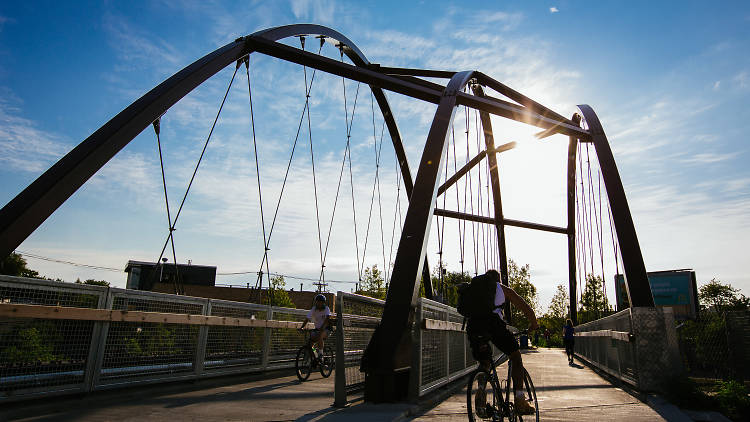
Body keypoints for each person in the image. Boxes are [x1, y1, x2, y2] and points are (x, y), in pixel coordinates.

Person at [469, 269, 539, 416]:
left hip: (474, 326)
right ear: (498, 280)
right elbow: (526, 308)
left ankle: (480, 396)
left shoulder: (475, 290)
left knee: (485, 362)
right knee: (515, 357)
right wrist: (533, 324)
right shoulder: (502, 289)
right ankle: (520, 400)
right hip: (493, 325)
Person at [299, 294, 332, 360]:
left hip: (326, 329)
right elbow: (307, 318)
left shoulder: (326, 309)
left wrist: (322, 328)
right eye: (317, 302)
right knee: (310, 342)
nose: (318, 303)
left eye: (320, 302)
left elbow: (327, 319)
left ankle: (321, 354)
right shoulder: (314, 309)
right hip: (317, 329)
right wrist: (302, 327)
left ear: (323, 303)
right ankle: (314, 355)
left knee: (320, 336)